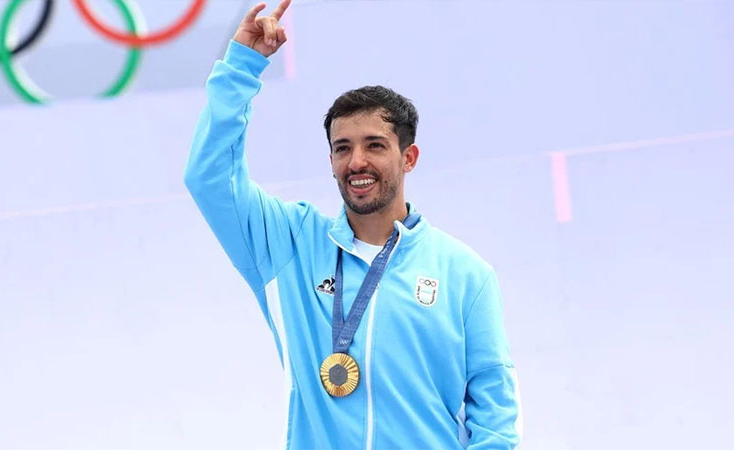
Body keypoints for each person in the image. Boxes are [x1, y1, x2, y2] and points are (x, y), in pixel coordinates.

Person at [184, 1, 522, 448]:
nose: (356, 161)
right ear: (330, 160)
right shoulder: (290, 245)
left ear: (408, 157)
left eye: (374, 145)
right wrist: (242, 66)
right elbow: (210, 179)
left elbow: (494, 416)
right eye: (342, 148)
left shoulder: (464, 274)